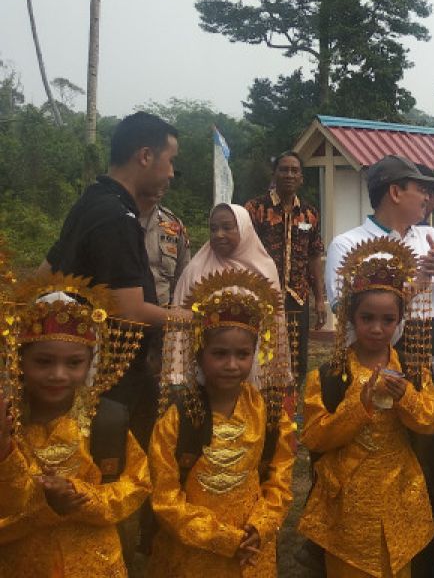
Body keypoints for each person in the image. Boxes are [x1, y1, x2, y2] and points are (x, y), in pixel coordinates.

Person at [325, 155, 434, 578]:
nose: (428, 196)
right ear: (394, 191)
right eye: (420, 187)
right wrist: (410, 286)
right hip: (377, 384)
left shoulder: (432, 237)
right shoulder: (349, 244)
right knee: (373, 482)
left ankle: (425, 568)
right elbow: (343, 313)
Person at [299, 237, 434, 578]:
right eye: (367, 318)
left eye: (387, 319)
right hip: (346, 503)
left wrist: (406, 397)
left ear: (399, 321)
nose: (377, 329)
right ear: (351, 316)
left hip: (399, 493)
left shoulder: (411, 369)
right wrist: (358, 406)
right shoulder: (331, 376)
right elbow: (314, 437)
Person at [42, 111, 180, 449]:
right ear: (145, 156)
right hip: (112, 379)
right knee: (120, 476)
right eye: (170, 160)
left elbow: (45, 275)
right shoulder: (117, 217)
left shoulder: (91, 202)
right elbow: (129, 310)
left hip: (84, 370)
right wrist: (194, 319)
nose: (172, 173)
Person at [147, 267, 295, 578]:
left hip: (252, 551)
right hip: (190, 557)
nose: (231, 364)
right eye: (219, 353)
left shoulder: (266, 412)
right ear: (199, 355)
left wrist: (262, 525)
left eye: (242, 354)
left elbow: (280, 479)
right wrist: (224, 538)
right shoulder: (179, 417)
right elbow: (164, 496)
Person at [0, 272, 152, 575]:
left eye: (73, 363)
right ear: (20, 360)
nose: (58, 374)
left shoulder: (103, 419)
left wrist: (79, 496)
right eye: (43, 361)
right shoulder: (9, 422)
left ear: (90, 363)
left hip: (96, 564)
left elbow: (137, 484)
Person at [168, 204, 291, 389]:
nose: (218, 234)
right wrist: (178, 373)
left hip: (253, 365)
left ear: (244, 229)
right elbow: (179, 326)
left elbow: (276, 325)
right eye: (213, 228)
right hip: (206, 375)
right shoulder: (195, 270)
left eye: (227, 227)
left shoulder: (265, 269)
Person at [244, 151, 329, 386]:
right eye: (284, 169)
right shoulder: (256, 209)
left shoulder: (309, 214)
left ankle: (288, 414)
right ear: (274, 174)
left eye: (294, 170)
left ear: (301, 177)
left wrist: (319, 299)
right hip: (262, 296)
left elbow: (314, 255)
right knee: (261, 353)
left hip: (297, 297)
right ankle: (258, 407)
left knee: (295, 358)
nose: (289, 175)